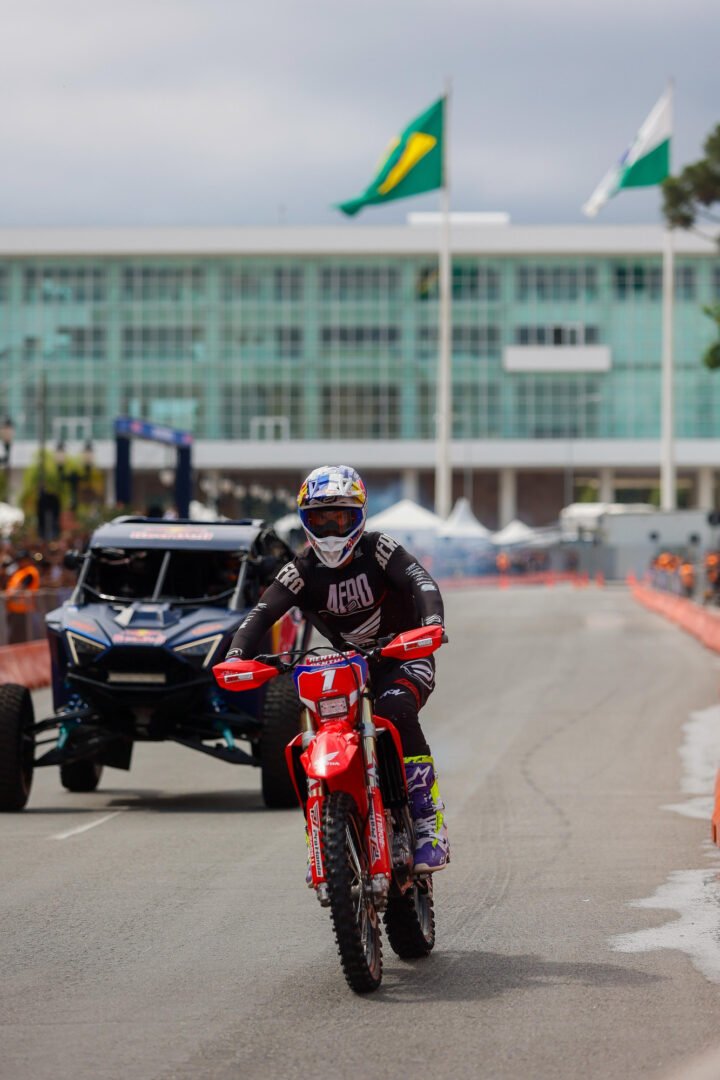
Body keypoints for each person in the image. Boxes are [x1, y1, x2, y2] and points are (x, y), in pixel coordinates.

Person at [225, 465, 449, 873]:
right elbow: (261, 613)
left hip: (405, 654)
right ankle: (329, 829)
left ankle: (427, 822)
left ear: (359, 517)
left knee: (396, 710)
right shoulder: (299, 569)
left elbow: (422, 581)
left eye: (340, 518)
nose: (330, 529)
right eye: (319, 519)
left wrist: (432, 625)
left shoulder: (380, 548)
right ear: (306, 521)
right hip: (352, 665)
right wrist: (237, 655)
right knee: (323, 724)